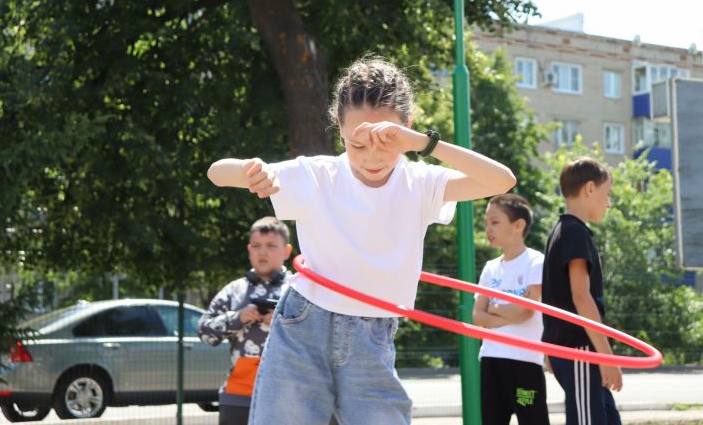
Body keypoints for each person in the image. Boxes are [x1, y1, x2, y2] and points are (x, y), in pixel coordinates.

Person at [206, 56, 516, 425]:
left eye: (387, 142)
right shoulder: (318, 175)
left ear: (408, 128)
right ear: (339, 128)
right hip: (304, 324)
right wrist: (250, 170)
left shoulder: (421, 182)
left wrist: (424, 144)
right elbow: (216, 173)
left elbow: (502, 181)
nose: (372, 157)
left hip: (374, 332)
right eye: (358, 144)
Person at [541, 156, 622, 425]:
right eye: (607, 193)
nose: (609, 203)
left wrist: (548, 342)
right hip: (580, 348)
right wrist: (606, 356)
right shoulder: (575, 233)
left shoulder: (560, 231)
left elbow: (553, 295)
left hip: (569, 346)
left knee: (608, 419)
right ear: (590, 189)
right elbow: (580, 297)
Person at [197, 216, 293, 425]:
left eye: (271, 246)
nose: (263, 252)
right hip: (240, 391)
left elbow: (322, 335)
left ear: (286, 251)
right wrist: (238, 317)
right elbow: (204, 332)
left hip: (291, 390)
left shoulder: (300, 290)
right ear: (249, 250)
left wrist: (282, 323)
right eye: (256, 246)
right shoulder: (234, 290)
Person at [472, 193, 550, 425]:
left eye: (495, 222)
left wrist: (493, 308)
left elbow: (526, 312)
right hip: (491, 360)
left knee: (533, 420)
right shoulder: (490, 268)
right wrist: (509, 310)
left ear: (518, 225)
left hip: (525, 363)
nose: (488, 228)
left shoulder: (535, 262)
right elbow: (477, 316)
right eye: (487, 223)